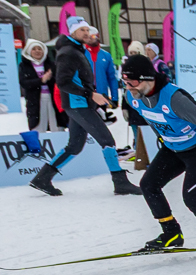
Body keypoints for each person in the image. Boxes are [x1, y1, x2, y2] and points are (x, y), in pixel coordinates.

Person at [120, 54, 196, 263]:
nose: (128, 87)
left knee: (192, 197)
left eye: (132, 82)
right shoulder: (133, 98)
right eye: (125, 82)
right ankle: (171, 233)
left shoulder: (175, 99)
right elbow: (155, 120)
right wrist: (163, 139)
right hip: (172, 149)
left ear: (147, 78)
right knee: (148, 185)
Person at [29, 16, 142, 197]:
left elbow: (78, 80)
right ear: (72, 32)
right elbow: (63, 82)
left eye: (88, 30)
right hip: (78, 104)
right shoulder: (68, 52)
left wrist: (95, 94)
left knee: (74, 146)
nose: (87, 33)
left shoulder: (75, 50)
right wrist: (91, 94)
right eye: (82, 30)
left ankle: (42, 178)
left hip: (79, 104)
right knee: (107, 141)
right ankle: (120, 182)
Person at [19, 39, 64, 132]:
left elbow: (59, 81)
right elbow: (24, 83)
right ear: (29, 51)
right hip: (35, 100)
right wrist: (41, 80)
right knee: (38, 126)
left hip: (53, 98)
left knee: (56, 124)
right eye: (34, 49)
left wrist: (50, 78)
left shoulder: (51, 64)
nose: (37, 51)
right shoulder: (24, 66)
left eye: (39, 49)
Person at [84, 28, 118, 124]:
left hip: (101, 96)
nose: (91, 39)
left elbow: (112, 78)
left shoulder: (106, 55)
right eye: (88, 37)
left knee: (100, 125)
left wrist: (115, 98)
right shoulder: (81, 54)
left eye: (94, 36)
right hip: (86, 95)